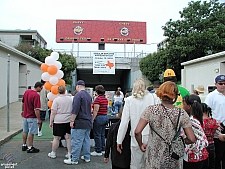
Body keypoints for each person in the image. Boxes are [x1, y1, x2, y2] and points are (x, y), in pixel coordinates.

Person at [134, 81, 196, 169]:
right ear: (175, 96)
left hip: (154, 156)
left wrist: (141, 144)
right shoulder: (181, 113)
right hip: (174, 156)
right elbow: (192, 138)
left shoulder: (151, 110)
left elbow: (137, 132)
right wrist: (182, 141)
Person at [117, 78, 161, 169]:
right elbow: (159, 119)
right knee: (151, 165)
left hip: (136, 137)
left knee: (136, 165)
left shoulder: (129, 100)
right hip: (151, 136)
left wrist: (119, 140)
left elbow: (124, 122)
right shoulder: (154, 98)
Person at [64, 80, 92, 165]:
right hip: (88, 121)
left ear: (77, 86)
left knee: (76, 141)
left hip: (79, 122)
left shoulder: (78, 95)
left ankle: (74, 159)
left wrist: (72, 120)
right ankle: (87, 157)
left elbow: (75, 110)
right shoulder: (88, 96)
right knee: (86, 140)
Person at [182, 95, 208, 169]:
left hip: (193, 157)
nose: (183, 107)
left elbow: (198, 140)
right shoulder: (200, 118)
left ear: (189, 106)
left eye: (184, 104)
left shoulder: (191, 121)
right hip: (202, 155)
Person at [205, 75, 225, 169]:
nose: (223, 85)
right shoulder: (211, 96)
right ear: (216, 84)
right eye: (221, 83)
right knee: (218, 155)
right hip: (218, 128)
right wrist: (215, 125)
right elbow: (206, 113)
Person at [48, 86, 72, 159]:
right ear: (65, 91)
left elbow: (53, 112)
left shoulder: (56, 100)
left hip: (58, 120)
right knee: (68, 137)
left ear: (58, 91)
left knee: (56, 138)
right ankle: (69, 153)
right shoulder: (70, 99)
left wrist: (51, 121)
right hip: (68, 119)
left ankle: (53, 153)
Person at [202, 103, 225, 169]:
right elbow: (219, 135)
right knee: (212, 164)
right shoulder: (214, 122)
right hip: (211, 145)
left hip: (202, 146)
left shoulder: (198, 122)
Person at [22, 81, 43, 153]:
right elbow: (36, 109)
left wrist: (23, 111)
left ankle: (24, 145)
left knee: (25, 130)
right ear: (38, 87)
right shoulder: (36, 95)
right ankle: (30, 147)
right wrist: (39, 119)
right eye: (41, 88)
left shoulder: (26, 92)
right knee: (31, 132)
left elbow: (23, 102)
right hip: (32, 116)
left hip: (25, 115)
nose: (41, 89)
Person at [91, 85, 109, 156]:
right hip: (105, 116)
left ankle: (98, 150)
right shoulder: (105, 99)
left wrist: (93, 119)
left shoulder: (97, 99)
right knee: (102, 134)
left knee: (97, 134)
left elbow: (96, 110)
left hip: (99, 117)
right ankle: (103, 148)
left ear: (97, 91)